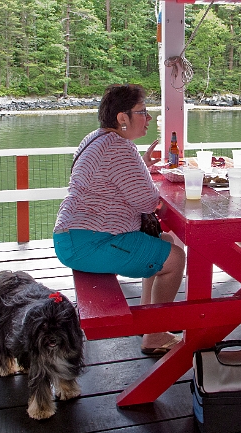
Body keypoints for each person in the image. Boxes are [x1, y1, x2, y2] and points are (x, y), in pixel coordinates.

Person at [53, 84, 186, 356]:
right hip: (91, 241)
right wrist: (143, 171)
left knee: (164, 241)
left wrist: (142, 167)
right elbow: (148, 201)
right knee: (175, 259)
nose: (149, 118)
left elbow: (112, 180)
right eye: (143, 112)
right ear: (122, 118)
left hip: (72, 236)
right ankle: (155, 335)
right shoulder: (120, 148)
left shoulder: (96, 138)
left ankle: (151, 324)